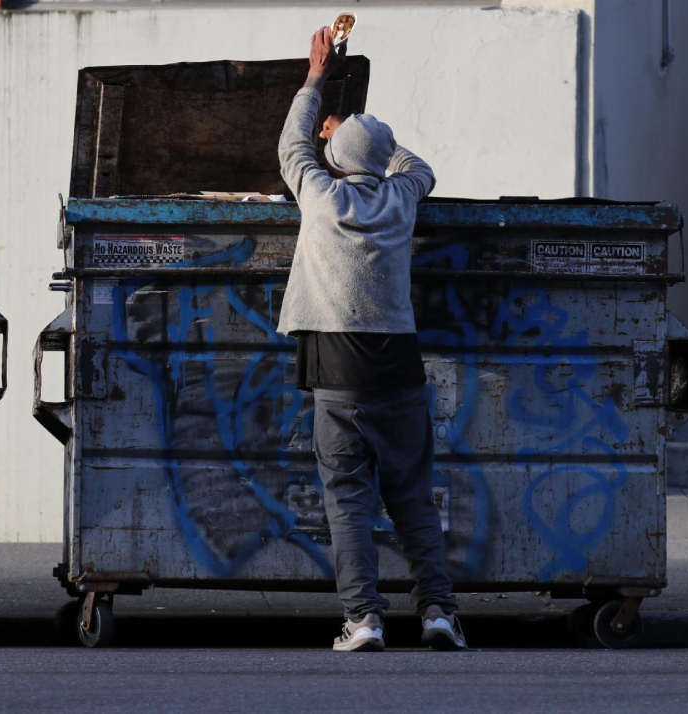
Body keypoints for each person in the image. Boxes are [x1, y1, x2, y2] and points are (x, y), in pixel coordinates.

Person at [276, 26, 466, 653]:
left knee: (348, 502)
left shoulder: (319, 194)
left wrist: (315, 82)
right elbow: (420, 167)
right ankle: (438, 613)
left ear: (333, 155)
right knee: (412, 497)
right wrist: (373, 145)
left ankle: (364, 620)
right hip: (399, 371)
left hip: (338, 375)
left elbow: (289, 147)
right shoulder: (401, 198)